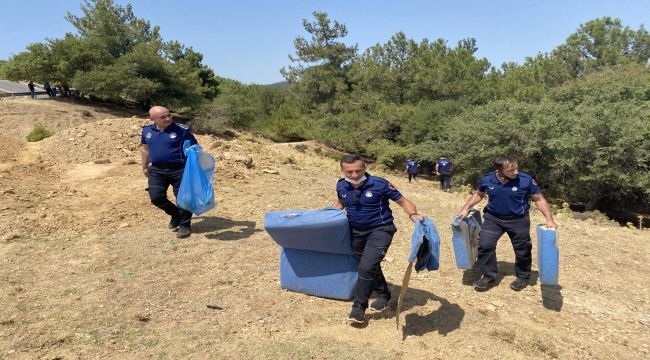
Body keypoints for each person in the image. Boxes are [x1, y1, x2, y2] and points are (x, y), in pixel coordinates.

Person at [332, 154, 424, 324]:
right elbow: (340, 203)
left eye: (358, 171)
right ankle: (384, 294)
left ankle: (358, 308)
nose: (354, 175)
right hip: (355, 231)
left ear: (365, 168)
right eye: (349, 172)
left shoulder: (380, 184)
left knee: (366, 267)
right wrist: (324, 216)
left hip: (381, 229)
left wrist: (413, 214)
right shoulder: (341, 185)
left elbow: (403, 201)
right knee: (367, 266)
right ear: (342, 170)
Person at [457, 155, 557, 292]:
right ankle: (488, 276)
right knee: (485, 245)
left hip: (518, 220)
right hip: (493, 219)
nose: (516, 172)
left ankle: (522, 276)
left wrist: (549, 219)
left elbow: (539, 199)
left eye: (516, 168)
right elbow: (478, 194)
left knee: (523, 250)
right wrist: (465, 208)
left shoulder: (526, 180)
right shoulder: (487, 179)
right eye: (511, 170)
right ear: (499, 171)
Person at [141, 106, 198, 238]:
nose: (168, 118)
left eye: (169, 115)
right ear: (152, 119)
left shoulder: (182, 130)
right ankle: (175, 214)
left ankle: (184, 225)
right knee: (156, 197)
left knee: (183, 199)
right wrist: (144, 167)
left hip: (180, 169)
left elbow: (195, 148)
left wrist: (195, 167)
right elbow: (145, 149)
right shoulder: (147, 131)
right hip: (156, 169)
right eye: (163, 117)